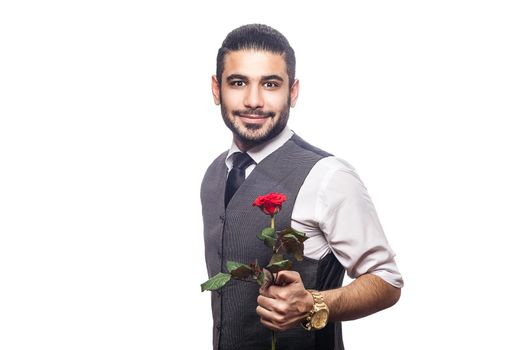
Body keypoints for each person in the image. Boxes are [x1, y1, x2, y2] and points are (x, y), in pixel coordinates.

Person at [201, 24, 403, 350]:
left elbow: (387, 280)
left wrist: (313, 303)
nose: (253, 101)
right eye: (238, 83)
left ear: (292, 92)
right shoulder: (214, 175)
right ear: (216, 89)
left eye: (270, 84)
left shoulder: (329, 176)